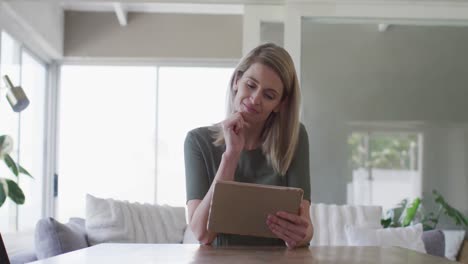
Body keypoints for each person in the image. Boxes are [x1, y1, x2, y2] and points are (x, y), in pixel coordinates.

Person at [184, 43, 312, 249]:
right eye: (251, 85)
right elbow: (202, 233)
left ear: (280, 104)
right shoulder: (197, 141)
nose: (255, 99)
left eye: (269, 95)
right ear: (236, 81)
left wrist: (301, 234)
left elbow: (306, 228)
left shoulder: (294, 138)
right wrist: (231, 155)